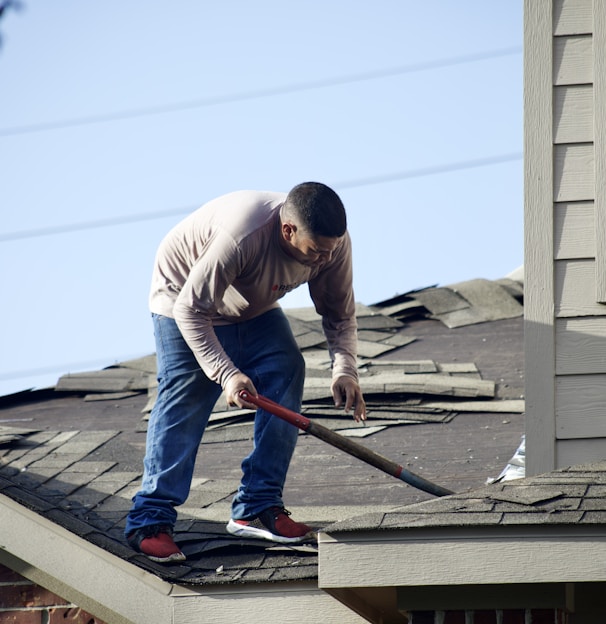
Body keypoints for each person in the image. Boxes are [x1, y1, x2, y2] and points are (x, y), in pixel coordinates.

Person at [125, 181, 366, 562]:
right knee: (187, 394)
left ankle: (257, 506)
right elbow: (192, 310)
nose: (323, 260)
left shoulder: (332, 245)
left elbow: (339, 313)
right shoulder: (242, 235)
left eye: (330, 250)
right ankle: (150, 520)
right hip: (183, 300)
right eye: (316, 251)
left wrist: (345, 369)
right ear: (288, 231)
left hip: (251, 306)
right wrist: (226, 373)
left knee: (286, 368)